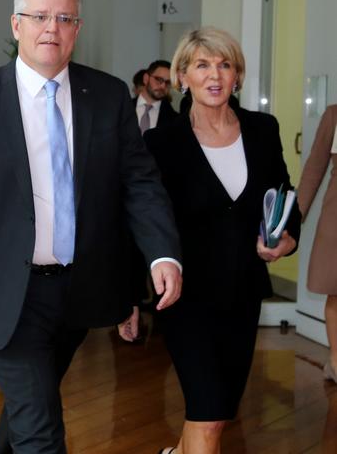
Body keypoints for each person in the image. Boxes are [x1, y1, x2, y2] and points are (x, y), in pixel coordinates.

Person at [0, 0, 182, 453]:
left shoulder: (106, 98)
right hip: (2, 292)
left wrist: (162, 255)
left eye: (64, 18)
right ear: (16, 24)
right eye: (39, 16)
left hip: (78, 293)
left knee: (27, 410)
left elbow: (139, 184)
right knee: (41, 432)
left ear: (77, 30)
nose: (51, 28)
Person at [144, 27, 301, 454]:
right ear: (183, 77)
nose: (215, 75)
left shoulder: (263, 130)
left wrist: (285, 241)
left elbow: (286, 199)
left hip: (243, 295)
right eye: (202, 65)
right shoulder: (161, 143)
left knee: (215, 410)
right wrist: (128, 298)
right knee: (210, 415)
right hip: (185, 298)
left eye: (225, 64)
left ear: (238, 77)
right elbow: (143, 220)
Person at [297, 105, 337, 383]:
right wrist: (291, 221)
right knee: (335, 289)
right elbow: (314, 168)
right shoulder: (335, 115)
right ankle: (336, 360)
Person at [133, 60, 178, 134]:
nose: (163, 86)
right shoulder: (124, 108)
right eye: (159, 79)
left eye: (168, 82)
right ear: (146, 78)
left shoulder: (175, 120)